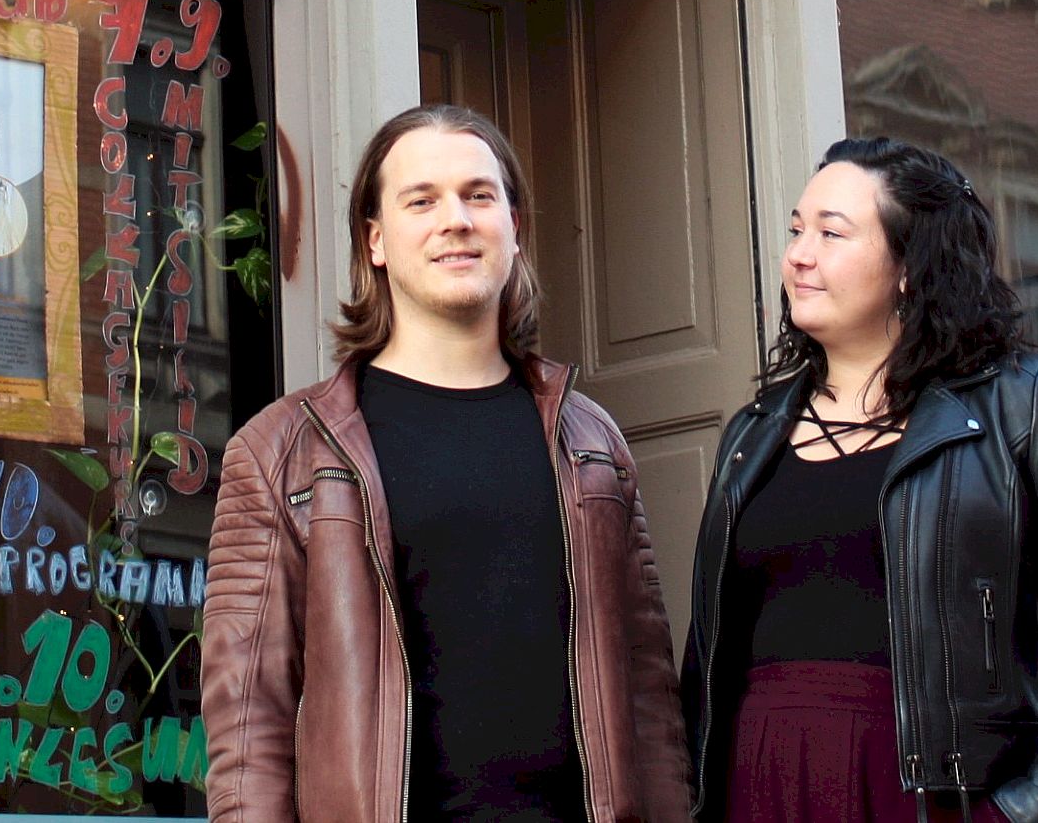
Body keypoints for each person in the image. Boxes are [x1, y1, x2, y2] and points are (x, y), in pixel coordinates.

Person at [203, 104, 692, 823]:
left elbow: (648, 699)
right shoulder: (281, 450)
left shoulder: (593, 442)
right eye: (421, 200)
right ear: (375, 240)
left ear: (514, 228)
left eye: (479, 194)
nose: (456, 218)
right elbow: (249, 725)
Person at [680, 137, 1038, 823]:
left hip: (924, 796)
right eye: (796, 230)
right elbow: (706, 657)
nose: (798, 254)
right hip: (757, 786)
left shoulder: (1021, 400)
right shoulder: (751, 433)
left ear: (909, 265)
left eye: (831, 232)